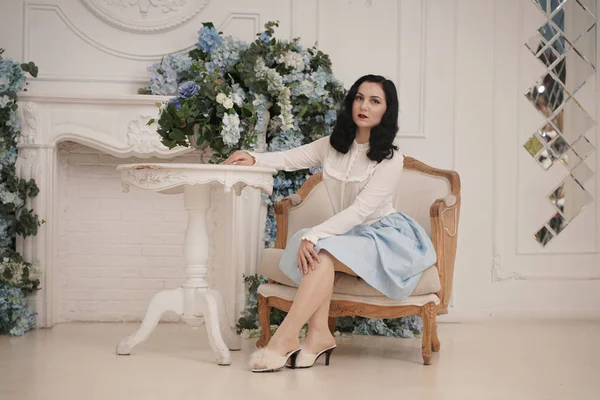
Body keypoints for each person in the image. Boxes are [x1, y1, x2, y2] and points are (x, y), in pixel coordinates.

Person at [222, 74, 436, 372]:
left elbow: (361, 211)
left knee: (317, 247)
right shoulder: (332, 145)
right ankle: (318, 335)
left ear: (386, 111)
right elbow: (288, 158)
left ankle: (285, 338)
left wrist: (315, 234)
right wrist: (253, 158)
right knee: (315, 250)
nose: (364, 106)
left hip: (385, 236)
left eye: (375, 101)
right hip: (348, 234)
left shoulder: (391, 158)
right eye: (359, 98)